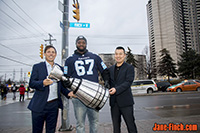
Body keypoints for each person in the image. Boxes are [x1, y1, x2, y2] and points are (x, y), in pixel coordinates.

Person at [63, 35, 109, 133]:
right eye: (79, 42)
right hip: (78, 95)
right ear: (76, 44)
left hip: (94, 95)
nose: (81, 44)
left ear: (86, 44)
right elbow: (65, 78)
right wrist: (68, 91)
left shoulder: (95, 57)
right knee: (80, 124)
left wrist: (107, 82)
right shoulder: (70, 60)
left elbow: (104, 70)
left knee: (94, 122)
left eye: (83, 42)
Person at [28, 45, 74, 133]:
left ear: (56, 54)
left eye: (53, 52)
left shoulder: (59, 69)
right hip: (39, 105)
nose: (51, 54)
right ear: (44, 54)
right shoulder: (37, 67)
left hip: (53, 105)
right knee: (37, 130)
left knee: (51, 130)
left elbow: (61, 87)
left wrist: (68, 93)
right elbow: (32, 83)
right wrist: (42, 83)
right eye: (48, 52)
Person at [108, 46, 137, 133]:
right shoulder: (110, 69)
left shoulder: (129, 68)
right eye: (116, 54)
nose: (118, 56)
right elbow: (108, 83)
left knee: (130, 126)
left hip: (126, 102)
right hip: (114, 103)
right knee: (116, 128)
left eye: (120, 54)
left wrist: (116, 89)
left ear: (124, 55)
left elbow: (128, 82)